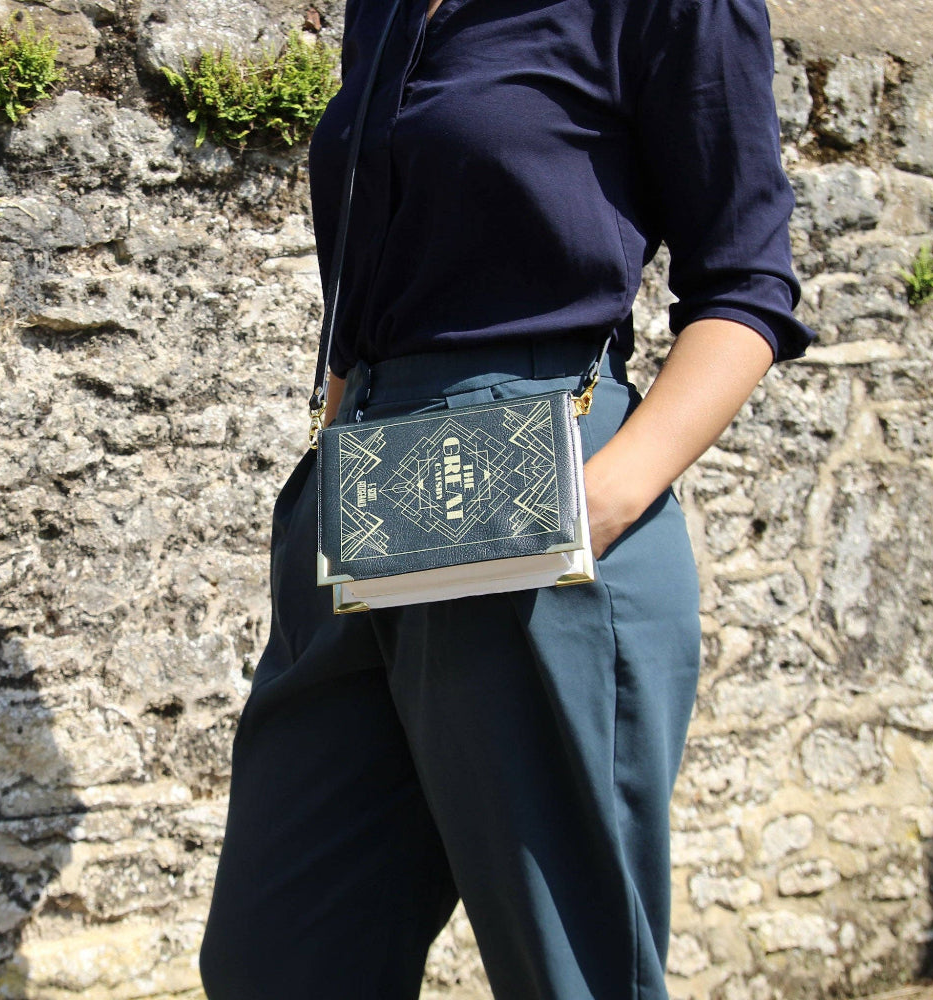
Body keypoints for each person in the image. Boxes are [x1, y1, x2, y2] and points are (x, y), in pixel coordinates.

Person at [199, 0, 815, 996]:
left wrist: (597, 496)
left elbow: (747, 283)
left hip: (540, 476)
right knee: (278, 957)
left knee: (568, 971)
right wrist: (333, 447)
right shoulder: (387, 9)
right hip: (368, 493)